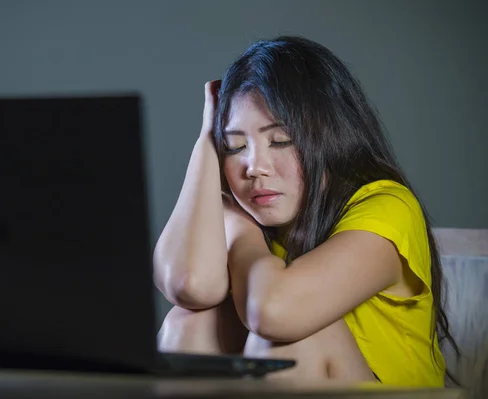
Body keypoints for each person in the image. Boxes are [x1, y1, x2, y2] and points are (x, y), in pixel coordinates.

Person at [153, 36, 458, 386]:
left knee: (293, 340)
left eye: (280, 140)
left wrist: (241, 235)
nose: (254, 167)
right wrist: (207, 142)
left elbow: (275, 311)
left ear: (329, 135)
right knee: (189, 323)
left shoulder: (389, 207)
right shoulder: (249, 208)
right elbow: (188, 284)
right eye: (235, 146)